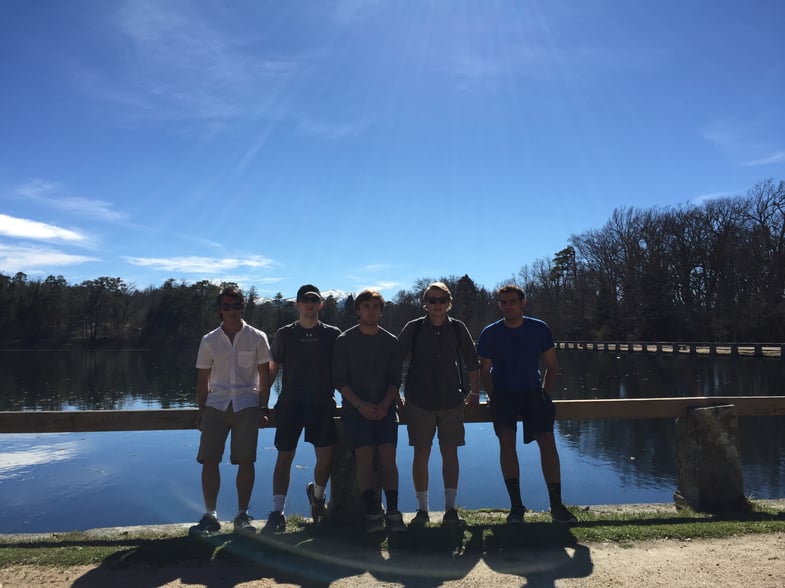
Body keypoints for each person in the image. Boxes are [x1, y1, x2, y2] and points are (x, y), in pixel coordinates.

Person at [476, 284, 577, 525]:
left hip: (533, 393)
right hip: (504, 396)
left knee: (548, 445)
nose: (507, 306)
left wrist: (544, 392)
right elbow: (484, 370)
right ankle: (516, 508)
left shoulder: (538, 328)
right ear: (499, 305)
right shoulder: (491, 332)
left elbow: (552, 364)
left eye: (512, 301)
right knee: (507, 445)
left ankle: (556, 506)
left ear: (523, 303)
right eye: (503, 302)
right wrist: (493, 395)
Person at [190, 286, 272, 536]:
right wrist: (202, 411)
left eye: (236, 305)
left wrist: (263, 408)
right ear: (220, 310)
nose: (232, 311)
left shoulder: (257, 337)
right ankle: (210, 515)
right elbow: (203, 379)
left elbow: (264, 376)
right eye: (227, 306)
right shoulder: (209, 340)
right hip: (216, 404)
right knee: (209, 459)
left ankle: (242, 515)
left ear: (242, 307)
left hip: (247, 404)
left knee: (246, 460)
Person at [398, 281, 480, 528]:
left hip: (451, 401)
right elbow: (394, 361)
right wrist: (395, 394)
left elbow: (472, 362)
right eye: (432, 300)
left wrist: (475, 392)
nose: (437, 305)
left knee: (450, 453)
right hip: (419, 401)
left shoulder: (457, 328)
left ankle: (450, 509)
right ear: (425, 303)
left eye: (441, 300)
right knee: (421, 453)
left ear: (449, 303)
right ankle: (422, 509)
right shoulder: (413, 328)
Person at [264, 284, 341, 532]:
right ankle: (278, 512)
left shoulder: (333, 334)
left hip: (322, 403)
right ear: (297, 305)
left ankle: (317, 497)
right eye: (304, 300)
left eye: (313, 300)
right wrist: (261, 402)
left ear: (320, 305)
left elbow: (344, 370)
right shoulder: (285, 334)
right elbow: (271, 369)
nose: (309, 304)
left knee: (325, 459)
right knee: (284, 457)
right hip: (290, 403)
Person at [332, 289, 405, 533]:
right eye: (366, 306)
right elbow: (340, 380)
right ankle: (372, 511)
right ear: (357, 311)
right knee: (364, 457)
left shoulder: (391, 342)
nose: (371, 311)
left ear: (381, 312)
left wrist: (385, 404)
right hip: (356, 409)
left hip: (385, 407)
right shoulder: (345, 341)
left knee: (388, 458)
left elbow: (395, 380)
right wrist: (361, 405)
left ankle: (393, 510)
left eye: (376, 306)